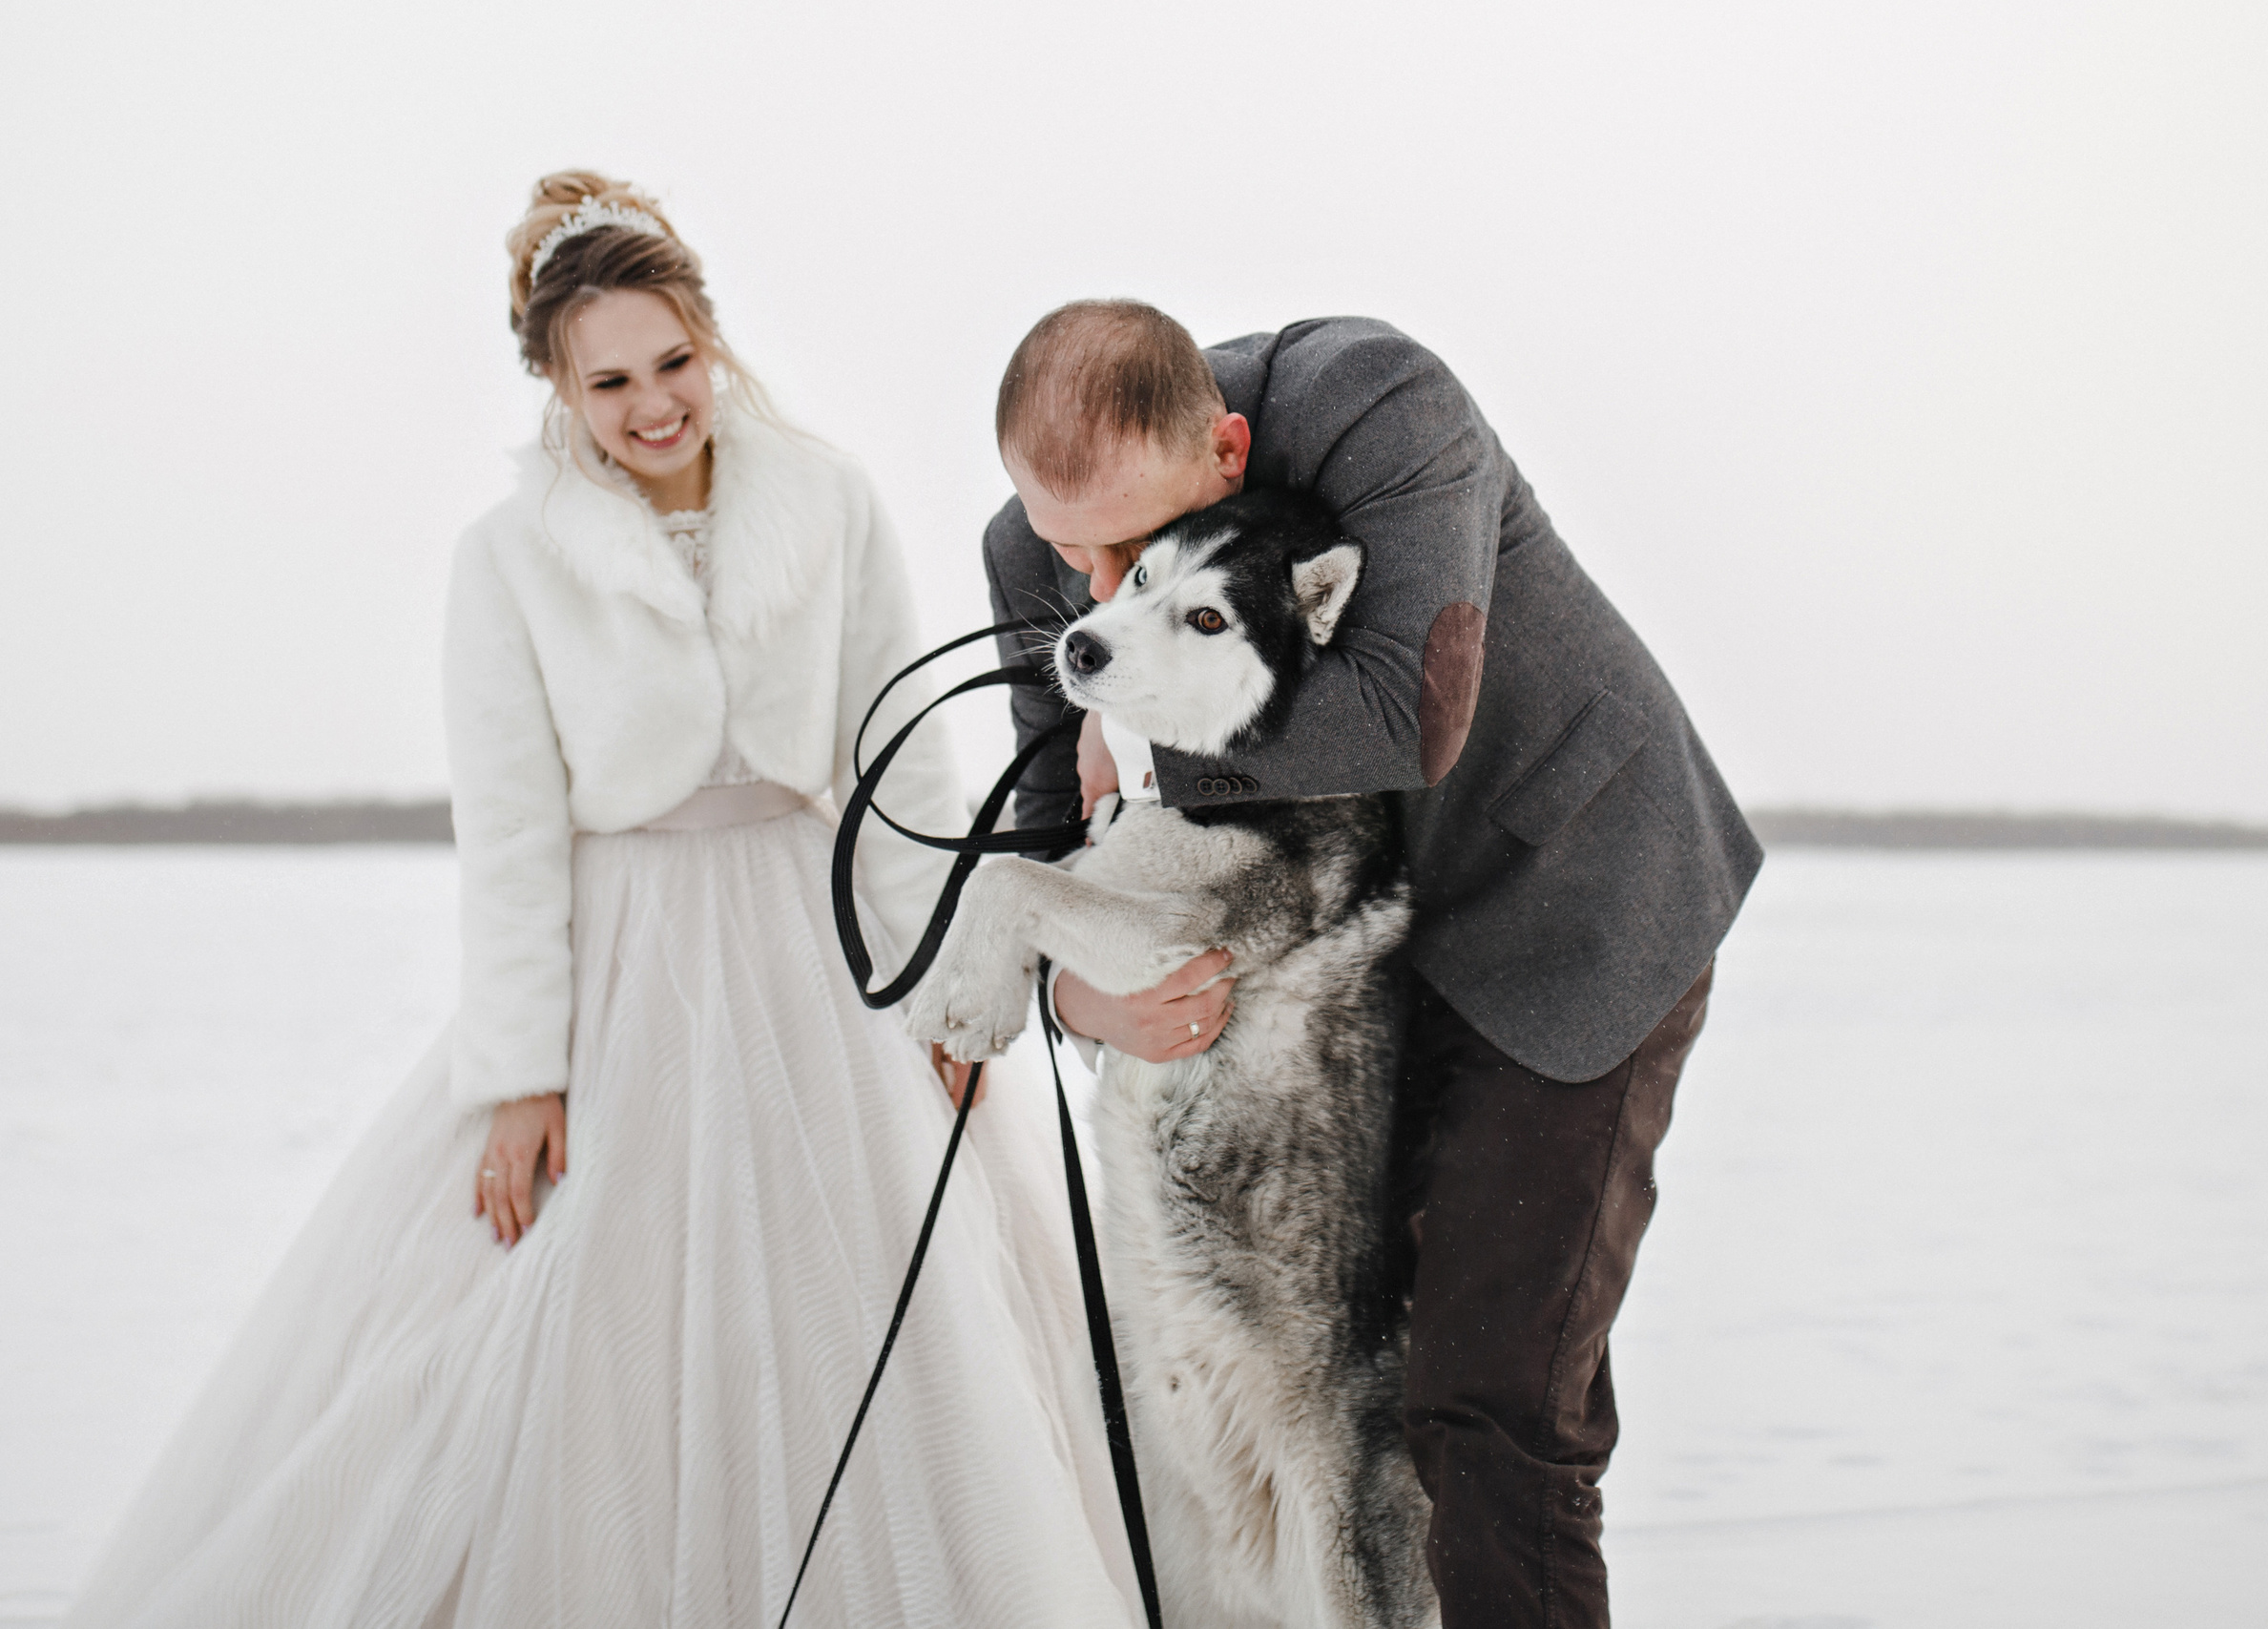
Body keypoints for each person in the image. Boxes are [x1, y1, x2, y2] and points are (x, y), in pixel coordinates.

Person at [64, 177, 1135, 1629]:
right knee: (579, 1313)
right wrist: (523, 1071)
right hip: (627, 954)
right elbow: (510, 833)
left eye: (673, 363)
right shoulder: (507, 558)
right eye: (610, 382)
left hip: (817, 941)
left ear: (712, 338)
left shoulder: (828, 500)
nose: (653, 406)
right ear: (559, 388)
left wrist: (947, 984)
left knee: (889, 1305)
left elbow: (895, 767)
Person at [984, 302, 1763, 1628]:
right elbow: (1048, 824)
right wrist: (1079, 997)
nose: (1104, 595)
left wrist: (1149, 742)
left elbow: (1413, 713)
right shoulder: (1030, 545)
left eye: (1138, 549)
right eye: (1072, 552)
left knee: (1490, 1401)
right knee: (1338, 1404)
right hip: (1343, 965)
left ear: (1228, 452)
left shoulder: (1381, 401)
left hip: (1569, 908)